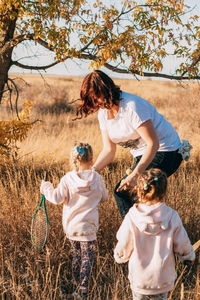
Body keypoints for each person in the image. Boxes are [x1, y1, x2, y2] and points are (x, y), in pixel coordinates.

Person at [76, 70, 192, 219]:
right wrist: (92, 172)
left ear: (106, 90)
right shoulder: (103, 114)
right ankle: (144, 233)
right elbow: (109, 149)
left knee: (123, 192)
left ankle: (137, 234)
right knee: (138, 197)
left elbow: (153, 144)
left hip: (167, 151)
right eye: (92, 100)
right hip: (143, 154)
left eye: (96, 98)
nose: (96, 103)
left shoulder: (132, 106)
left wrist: (136, 175)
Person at [114, 168, 195, 300]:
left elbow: (124, 242)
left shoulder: (132, 216)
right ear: (164, 192)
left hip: (139, 278)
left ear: (139, 191)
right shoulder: (171, 216)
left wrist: (120, 255)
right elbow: (183, 243)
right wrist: (188, 256)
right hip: (162, 278)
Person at [40, 142, 108, 300]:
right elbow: (104, 198)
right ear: (91, 160)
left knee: (77, 255)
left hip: (71, 227)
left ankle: (75, 284)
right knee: (87, 258)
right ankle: (83, 291)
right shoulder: (97, 178)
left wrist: (46, 187)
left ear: (73, 160)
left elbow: (56, 198)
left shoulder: (67, 179)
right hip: (88, 228)